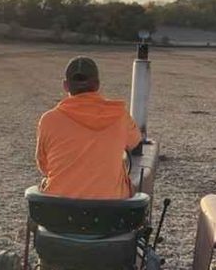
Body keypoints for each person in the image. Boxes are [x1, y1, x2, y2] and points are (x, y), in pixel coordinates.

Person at [35, 56, 142, 199]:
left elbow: (44, 166)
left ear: (66, 85)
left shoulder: (49, 120)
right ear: (97, 84)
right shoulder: (120, 115)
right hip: (111, 209)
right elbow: (135, 141)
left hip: (59, 209)